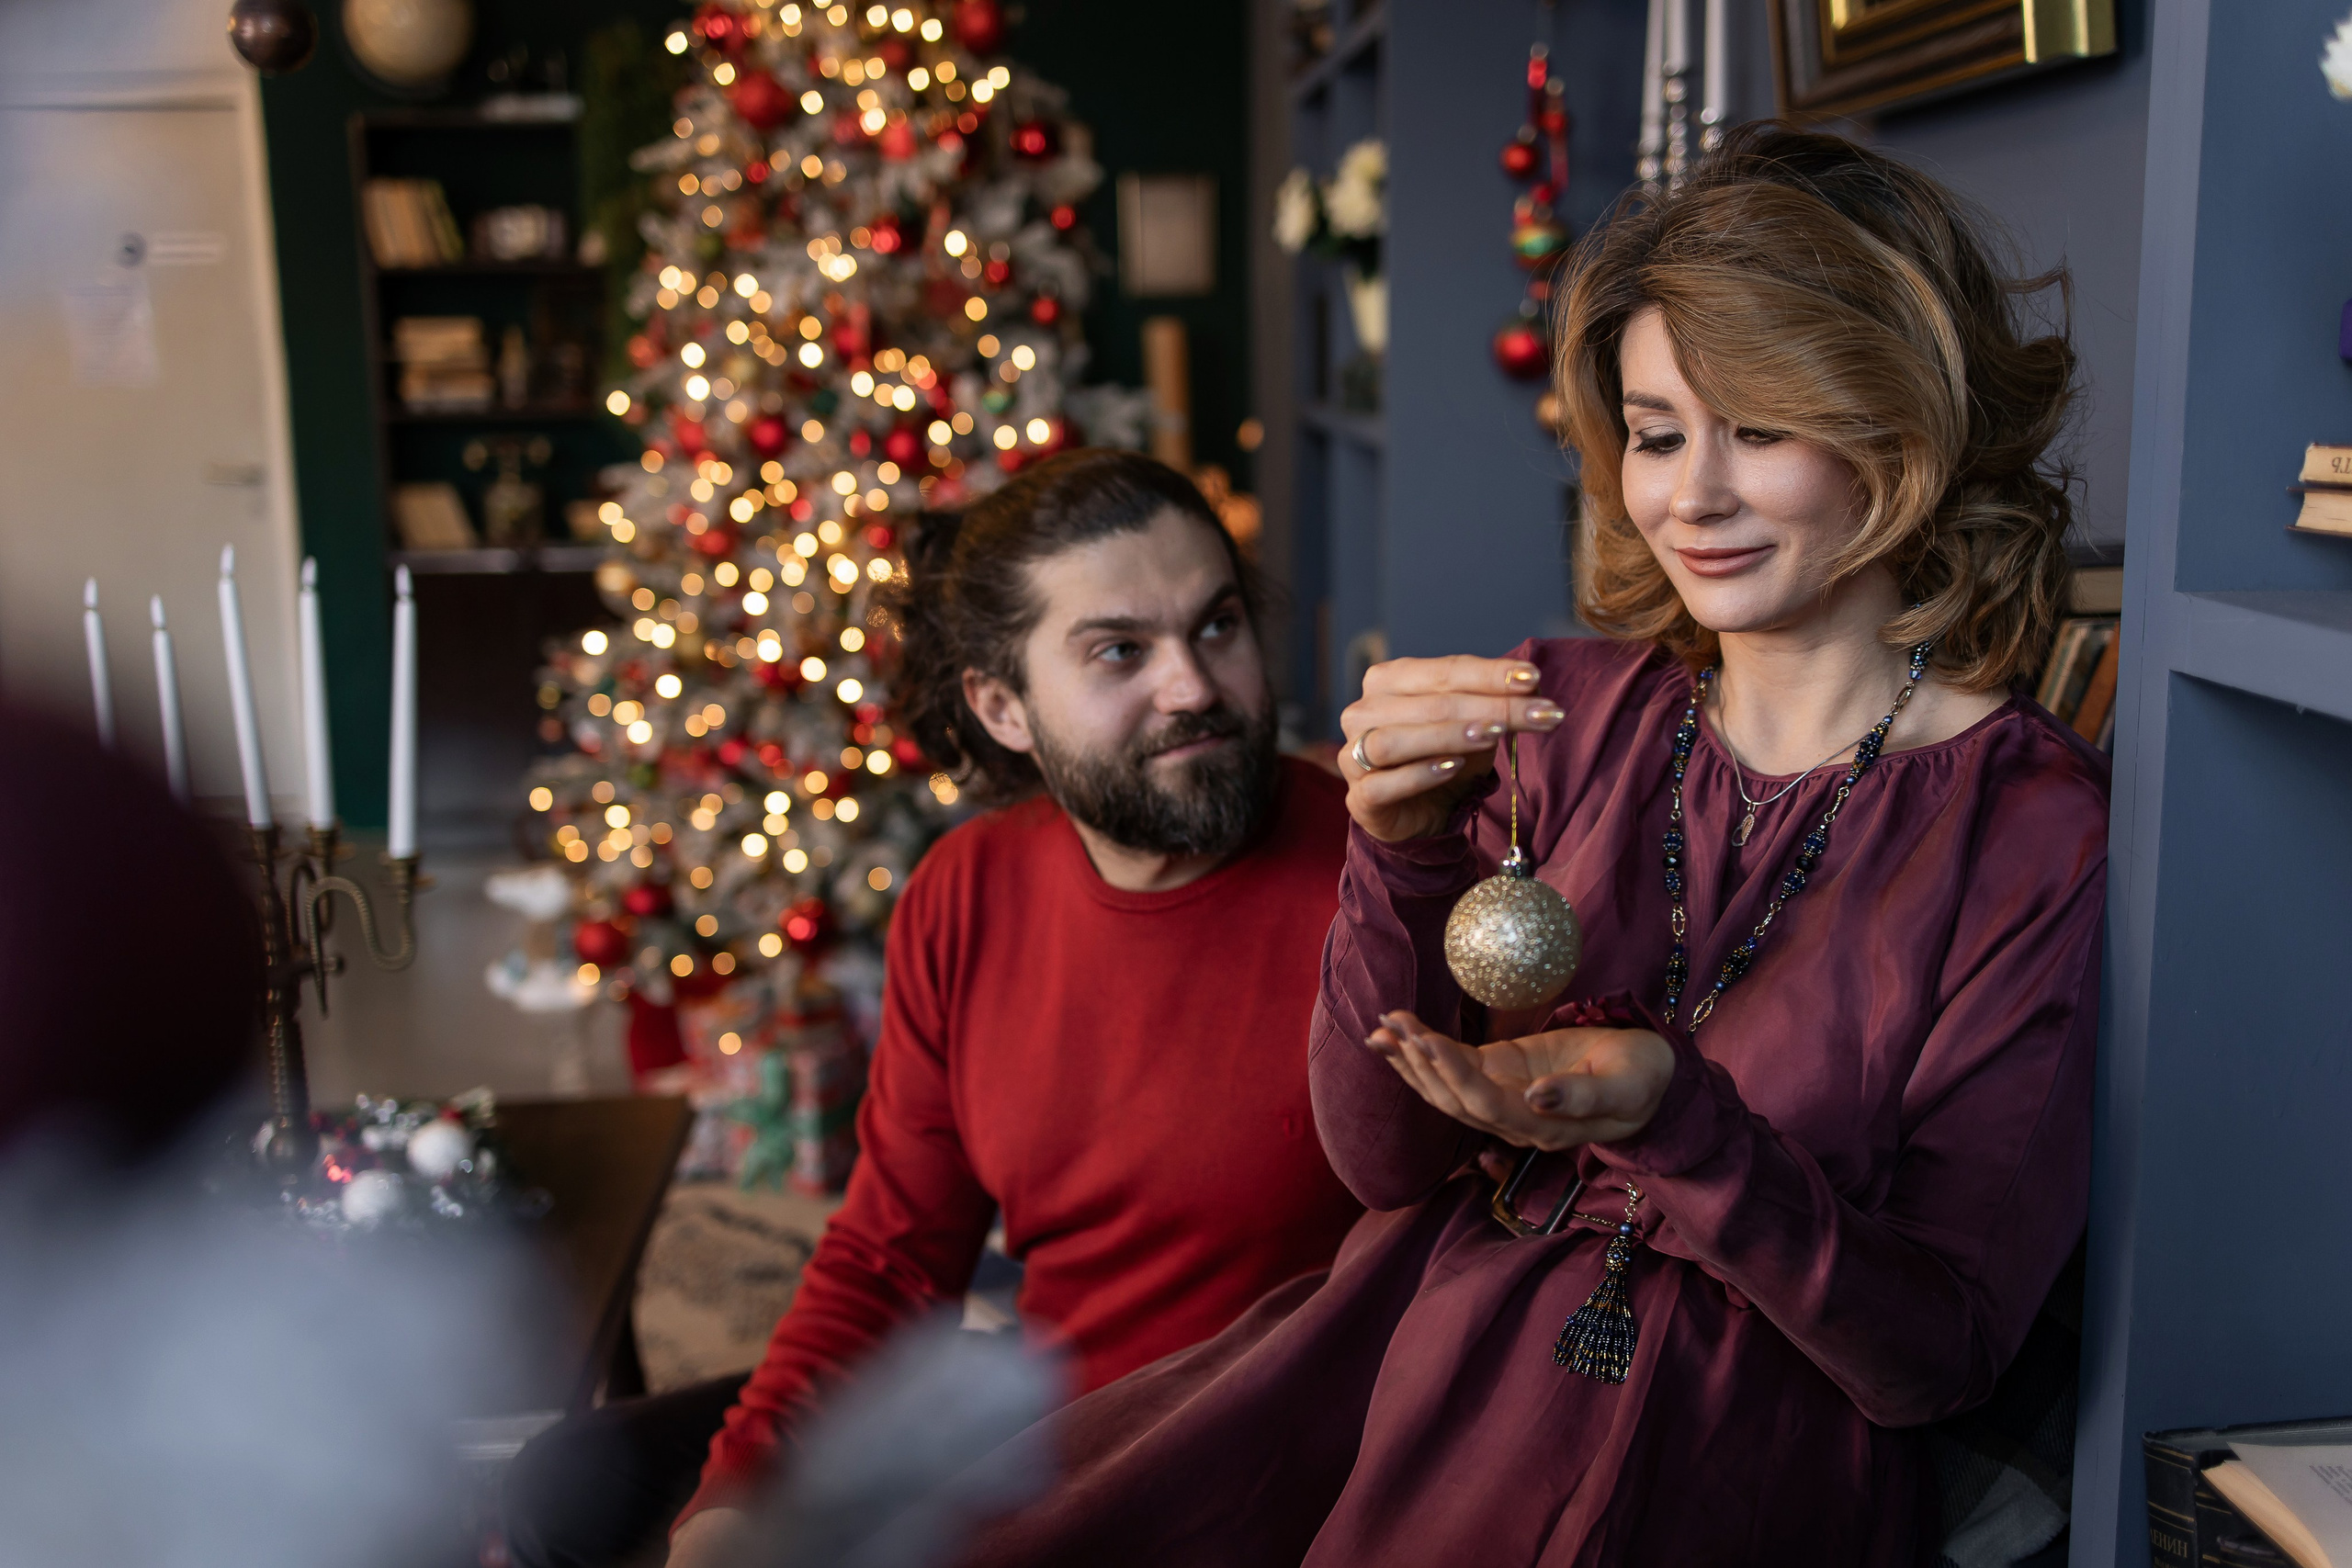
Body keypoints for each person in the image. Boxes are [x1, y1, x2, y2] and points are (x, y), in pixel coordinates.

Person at [956, 124, 2108, 1567]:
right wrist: (1397, 852)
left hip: (1743, 1471)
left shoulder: (2025, 821)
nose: (1690, 496)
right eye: (1656, 430)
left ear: (1899, 425)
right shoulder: (1560, 711)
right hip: (1419, 1390)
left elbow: (1936, 1351)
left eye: (1759, 427)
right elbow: (1384, 1155)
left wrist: (1674, 1117)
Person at [503, 449, 1363, 1568]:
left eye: (1217, 627)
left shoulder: (1379, 869)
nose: (1194, 686)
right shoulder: (968, 892)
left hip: (1269, 1482)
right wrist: (729, 1508)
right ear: (1003, 706)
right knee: (578, 1490)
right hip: (1043, 1440)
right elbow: (891, 1261)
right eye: (1120, 650)